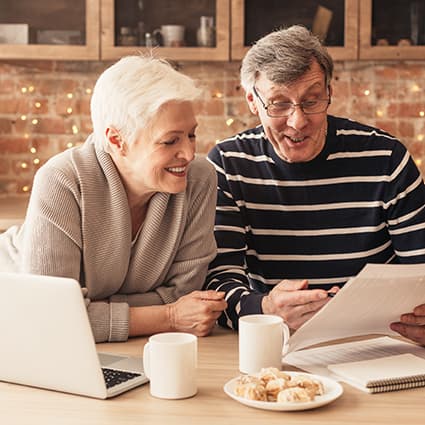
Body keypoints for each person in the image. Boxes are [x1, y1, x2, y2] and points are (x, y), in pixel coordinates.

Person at [205, 25, 425, 346]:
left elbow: (420, 270)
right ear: (253, 101)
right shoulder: (228, 163)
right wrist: (266, 308)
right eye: (279, 104)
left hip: (378, 342)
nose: (298, 121)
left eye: (312, 100)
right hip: (276, 341)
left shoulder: (386, 157)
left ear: (329, 93)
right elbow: (218, 283)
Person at [0, 55, 226, 342]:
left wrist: (89, 312)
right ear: (117, 141)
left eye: (191, 135)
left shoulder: (199, 179)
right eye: (170, 141)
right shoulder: (61, 180)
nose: (189, 154)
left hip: (130, 342)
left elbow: (184, 295)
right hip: (17, 330)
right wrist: (168, 316)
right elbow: (50, 318)